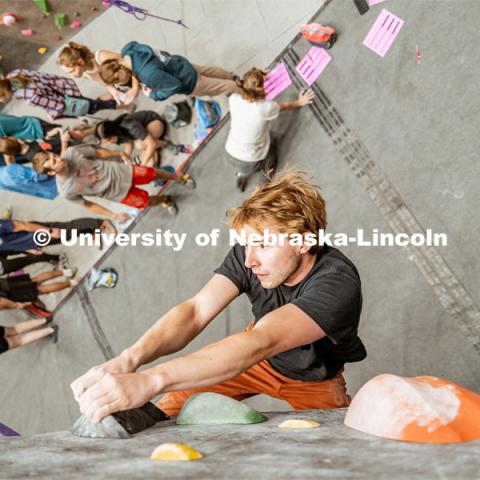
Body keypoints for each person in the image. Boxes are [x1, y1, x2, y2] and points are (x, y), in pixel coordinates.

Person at [70, 171, 367, 423]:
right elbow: (196, 311)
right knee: (163, 413)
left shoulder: (337, 283)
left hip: (314, 379)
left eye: (262, 245)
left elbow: (261, 342)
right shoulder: (249, 255)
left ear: (303, 242)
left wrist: (151, 379)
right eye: (246, 244)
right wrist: (129, 359)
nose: (249, 260)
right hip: (256, 361)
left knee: (335, 447)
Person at [33, 144, 196, 217]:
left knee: (152, 174)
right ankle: (166, 199)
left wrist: (118, 154)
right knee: (146, 202)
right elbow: (88, 205)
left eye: (54, 156)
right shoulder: (65, 191)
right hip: (116, 194)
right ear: (52, 173)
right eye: (54, 162)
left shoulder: (71, 152)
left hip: (120, 171)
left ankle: (177, 176)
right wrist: (112, 215)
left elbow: (97, 153)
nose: (58, 158)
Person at [225, 68, 315, 191]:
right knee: (271, 157)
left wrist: (257, 77)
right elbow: (285, 105)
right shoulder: (266, 108)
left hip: (230, 152)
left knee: (245, 165)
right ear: (261, 89)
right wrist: (300, 102)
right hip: (250, 160)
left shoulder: (233, 99)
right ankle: (262, 187)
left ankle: (241, 175)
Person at [98, 41, 240, 103]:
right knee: (209, 71)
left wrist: (153, 94)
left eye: (117, 82)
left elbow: (174, 86)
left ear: (118, 73)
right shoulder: (128, 50)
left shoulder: (148, 74)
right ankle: (233, 77)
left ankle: (245, 89)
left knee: (222, 87)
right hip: (178, 63)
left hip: (189, 82)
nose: (120, 85)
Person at [0, 69, 118, 120]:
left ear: (5, 91)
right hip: (63, 85)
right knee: (91, 103)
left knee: (92, 107)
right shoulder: (14, 74)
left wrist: (52, 113)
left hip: (68, 99)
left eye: (1, 97)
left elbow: (60, 106)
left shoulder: (30, 97)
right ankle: (116, 93)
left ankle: (120, 99)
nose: (1, 101)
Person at [95, 111, 191, 167]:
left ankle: (167, 145)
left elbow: (151, 144)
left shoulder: (129, 126)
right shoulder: (116, 133)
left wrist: (142, 165)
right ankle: (154, 155)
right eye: (108, 141)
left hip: (155, 123)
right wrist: (125, 157)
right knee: (151, 162)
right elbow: (128, 144)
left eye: (109, 139)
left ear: (112, 132)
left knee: (142, 146)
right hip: (144, 134)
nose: (111, 142)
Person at [57, 41, 138, 108]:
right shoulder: (86, 73)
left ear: (81, 62)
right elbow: (105, 83)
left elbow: (132, 65)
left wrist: (135, 87)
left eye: (72, 71)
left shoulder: (101, 57)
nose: (72, 76)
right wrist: (113, 91)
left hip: (139, 75)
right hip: (128, 82)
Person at [0, 217, 116, 253]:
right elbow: (9, 245)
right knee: (66, 237)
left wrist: (48, 230)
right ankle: (90, 231)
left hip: (35, 231)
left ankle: (101, 222)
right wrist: (29, 249)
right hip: (34, 242)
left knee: (69, 227)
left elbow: (22, 225)